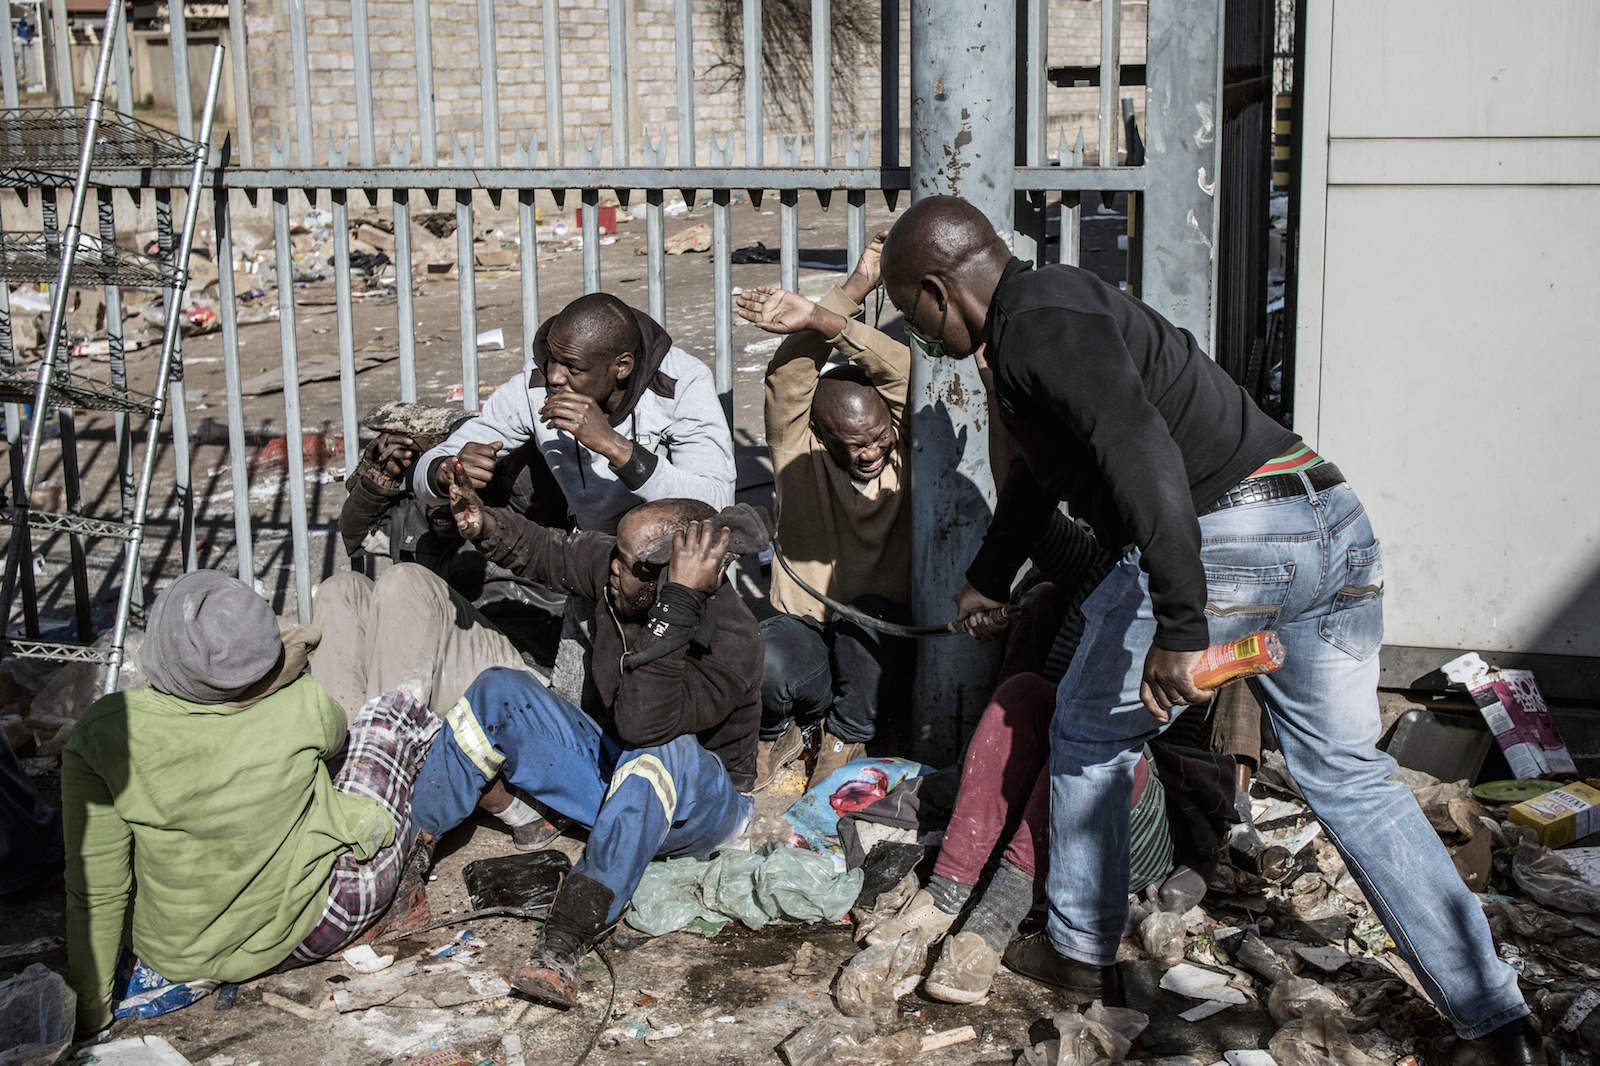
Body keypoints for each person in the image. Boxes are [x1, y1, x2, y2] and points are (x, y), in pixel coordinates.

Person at [877, 195, 1540, 1061]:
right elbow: (1047, 476)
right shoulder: (1061, 308)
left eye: (914, 319)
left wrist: (1182, 624)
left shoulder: (1035, 328)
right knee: (1348, 775)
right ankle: (1496, 1022)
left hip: (1232, 534)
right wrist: (984, 580)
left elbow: (1142, 451)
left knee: (1083, 726)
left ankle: (1079, 951)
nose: (923, 341)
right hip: (1329, 521)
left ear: (936, 290)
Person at [430, 476, 763, 1007]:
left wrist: (675, 607)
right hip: (620, 773)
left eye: (626, 563)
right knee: (499, 692)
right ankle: (404, 859)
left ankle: (565, 941)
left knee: (661, 751)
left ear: (665, 580)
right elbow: (549, 552)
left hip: (702, 810)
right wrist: (485, 525)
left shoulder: (733, 641)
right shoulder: (620, 581)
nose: (612, 566)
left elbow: (644, 725)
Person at [413, 292, 737, 704]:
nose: (555, 376)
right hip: (589, 566)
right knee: (577, 706)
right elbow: (428, 469)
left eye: (573, 367)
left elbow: (716, 502)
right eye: (552, 359)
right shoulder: (534, 386)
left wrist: (616, 448)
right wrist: (447, 472)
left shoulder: (680, 381)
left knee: (665, 703)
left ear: (621, 367)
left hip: (673, 571)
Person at [734, 232, 913, 788]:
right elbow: (789, 378)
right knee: (766, 656)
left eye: (878, 438)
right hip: (811, 624)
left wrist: (831, 317)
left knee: (865, 627)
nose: (870, 452)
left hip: (883, 639)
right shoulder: (798, 452)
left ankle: (844, 739)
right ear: (820, 435)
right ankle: (783, 731)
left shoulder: (905, 446)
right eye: (853, 444)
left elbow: (903, 373)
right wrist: (849, 288)